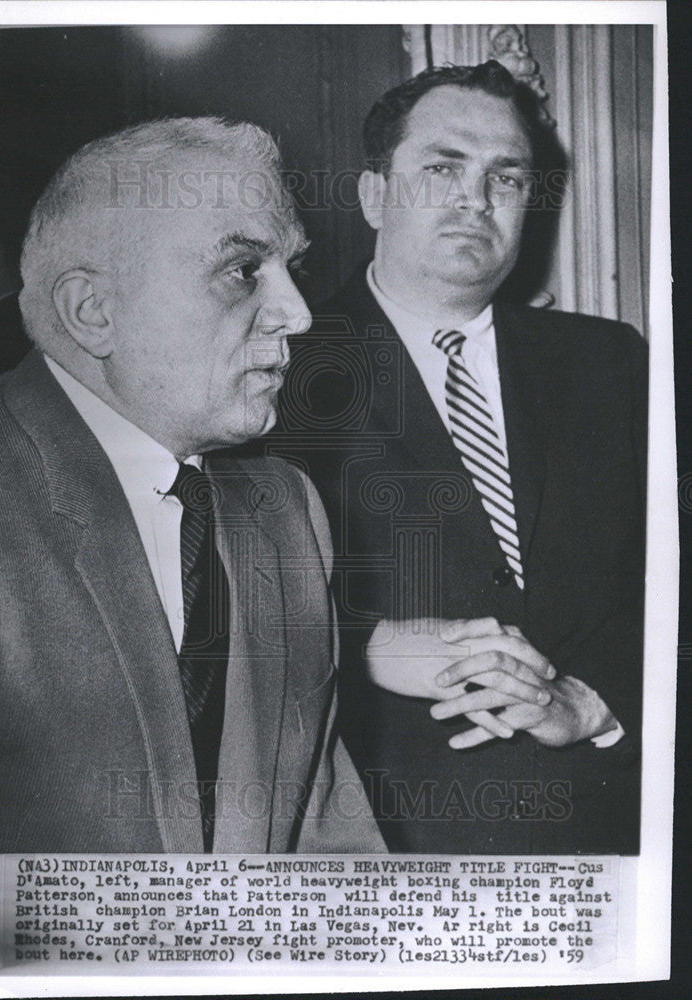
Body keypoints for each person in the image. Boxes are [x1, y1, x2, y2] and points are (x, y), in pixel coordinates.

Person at [0, 117, 385, 854]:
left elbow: (326, 836)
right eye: (242, 271)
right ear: (93, 312)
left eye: (293, 267)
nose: (297, 313)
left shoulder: (285, 508)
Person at [276, 61, 647, 853]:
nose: (474, 201)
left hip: (613, 824)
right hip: (387, 846)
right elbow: (211, 602)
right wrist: (364, 639)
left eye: (504, 179)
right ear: (375, 195)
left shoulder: (609, 363)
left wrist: (598, 704)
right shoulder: (274, 370)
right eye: (442, 167)